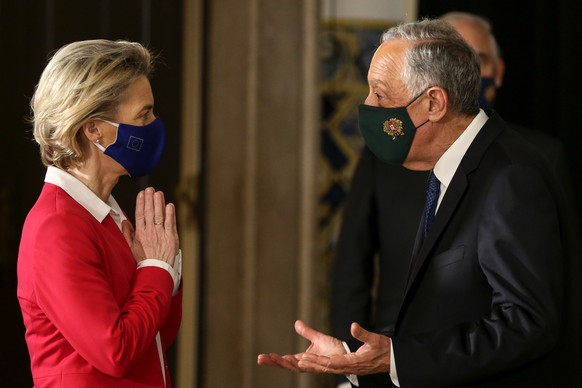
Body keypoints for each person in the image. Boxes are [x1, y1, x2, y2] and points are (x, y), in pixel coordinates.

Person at [258, 18, 582, 387]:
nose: (367, 107)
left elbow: (527, 324)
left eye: (380, 96)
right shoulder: (451, 166)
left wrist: (395, 357)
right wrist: (359, 363)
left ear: (433, 103)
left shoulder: (510, 177)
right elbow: (440, 318)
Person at [17, 39, 183, 387]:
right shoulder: (57, 225)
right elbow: (116, 351)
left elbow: (153, 340)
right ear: (94, 129)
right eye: (144, 114)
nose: (154, 124)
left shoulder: (106, 215)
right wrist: (156, 269)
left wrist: (161, 268)